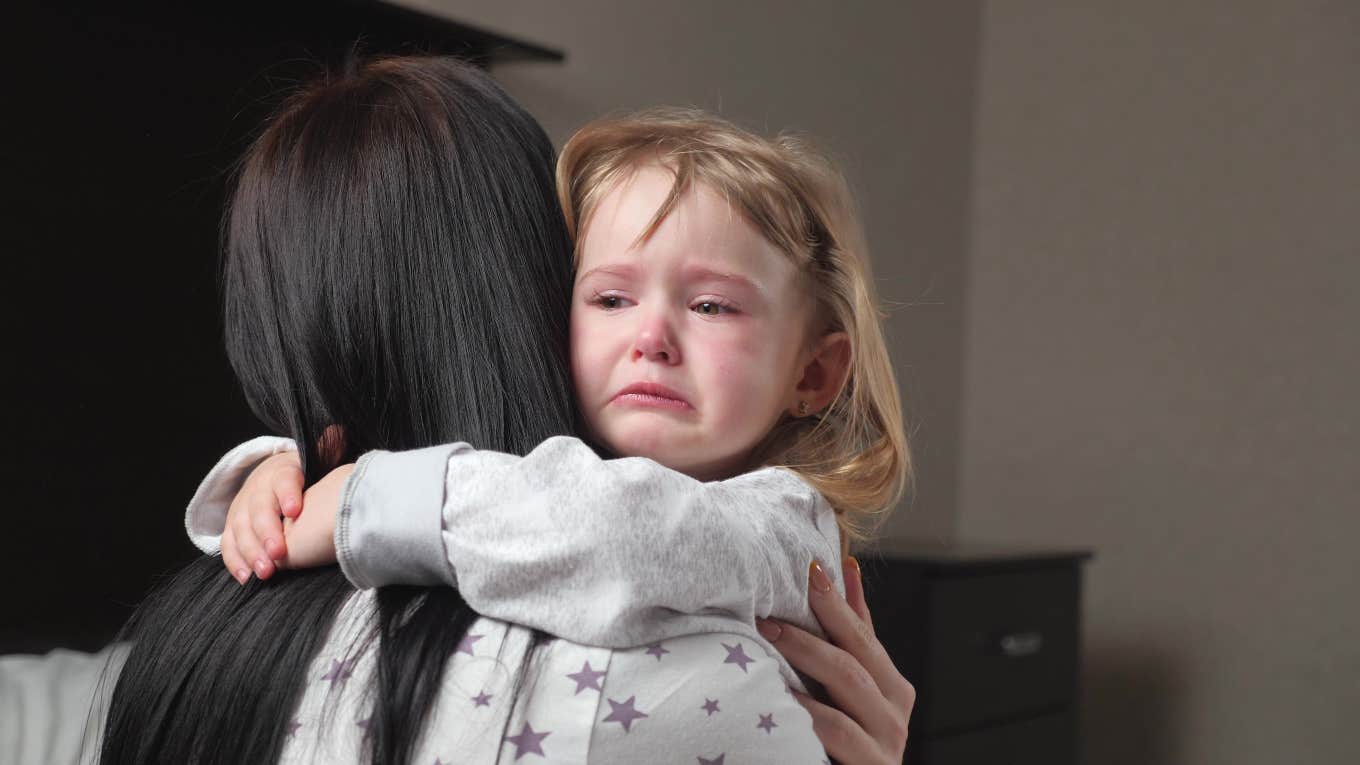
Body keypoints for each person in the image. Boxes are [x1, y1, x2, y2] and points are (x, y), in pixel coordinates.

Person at [188, 108, 916, 763]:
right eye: (609, 297)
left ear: (813, 375)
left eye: (712, 305)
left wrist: (369, 498)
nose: (652, 336)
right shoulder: (542, 489)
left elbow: (624, 531)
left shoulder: (783, 522)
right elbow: (540, 503)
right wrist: (283, 471)